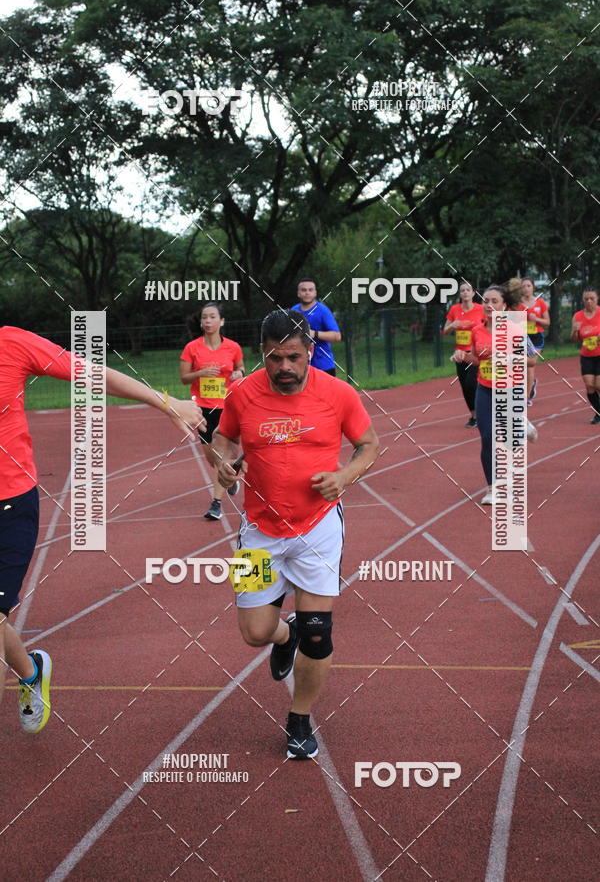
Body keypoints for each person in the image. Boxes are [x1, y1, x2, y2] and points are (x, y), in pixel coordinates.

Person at [0, 325, 203, 733]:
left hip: (11, 502)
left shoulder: (11, 342)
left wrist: (166, 403)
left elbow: (94, 374)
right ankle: (30, 671)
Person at [213, 309, 379, 759]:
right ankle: (283, 636)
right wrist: (223, 463)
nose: (283, 368)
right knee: (254, 632)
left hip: (319, 527)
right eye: (273, 359)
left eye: (292, 357)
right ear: (261, 355)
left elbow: (369, 445)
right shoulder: (242, 395)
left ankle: (300, 717)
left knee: (318, 631)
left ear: (310, 352)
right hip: (258, 531)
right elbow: (223, 440)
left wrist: (345, 477)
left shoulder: (338, 394)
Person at [451, 280, 538, 504]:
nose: (489, 305)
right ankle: (493, 488)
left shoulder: (515, 330)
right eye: (486, 301)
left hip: (510, 391)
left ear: (505, 306)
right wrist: (462, 356)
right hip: (486, 389)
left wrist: (512, 358)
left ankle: (522, 426)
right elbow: (476, 358)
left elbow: (532, 360)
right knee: (488, 438)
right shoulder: (476, 331)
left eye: (494, 301)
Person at [180, 302, 245, 520]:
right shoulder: (192, 348)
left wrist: (238, 374)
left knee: (222, 453)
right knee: (212, 458)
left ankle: (216, 503)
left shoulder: (233, 347)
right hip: (203, 407)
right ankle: (228, 478)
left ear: (222, 321)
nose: (207, 321)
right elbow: (183, 378)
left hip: (227, 406)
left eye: (212, 317)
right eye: (204, 318)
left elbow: (240, 368)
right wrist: (201, 373)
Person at [442, 281, 485, 426]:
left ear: (473, 293)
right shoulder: (454, 309)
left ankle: (482, 412)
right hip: (460, 354)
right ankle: (473, 416)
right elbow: (444, 330)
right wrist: (452, 326)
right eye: (462, 290)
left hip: (475, 352)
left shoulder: (481, 309)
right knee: (465, 385)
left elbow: (489, 326)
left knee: (471, 382)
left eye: (468, 290)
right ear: (460, 294)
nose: (465, 292)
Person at [291, 278, 342, 375]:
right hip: (301, 365)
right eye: (303, 290)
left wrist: (314, 333)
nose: (307, 293)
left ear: (315, 293)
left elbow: (337, 336)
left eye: (310, 290)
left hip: (323, 365)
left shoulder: (323, 311)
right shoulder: (294, 311)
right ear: (298, 293)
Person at [571, 286, 600, 424]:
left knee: (598, 385)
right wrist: (575, 331)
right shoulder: (577, 316)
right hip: (586, 355)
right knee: (589, 385)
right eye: (586, 299)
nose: (589, 301)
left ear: (597, 299)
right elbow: (574, 340)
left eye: (592, 298)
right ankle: (598, 413)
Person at [520, 278, 550, 405]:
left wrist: (536, 319)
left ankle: (526, 396)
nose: (526, 288)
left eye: (528, 285)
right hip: (522, 336)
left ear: (533, 287)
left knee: (530, 364)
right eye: (524, 286)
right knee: (523, 367)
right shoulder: (517, 304)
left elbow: (547, 322)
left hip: (536, 336)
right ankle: (529, 386)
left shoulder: (540, 303)